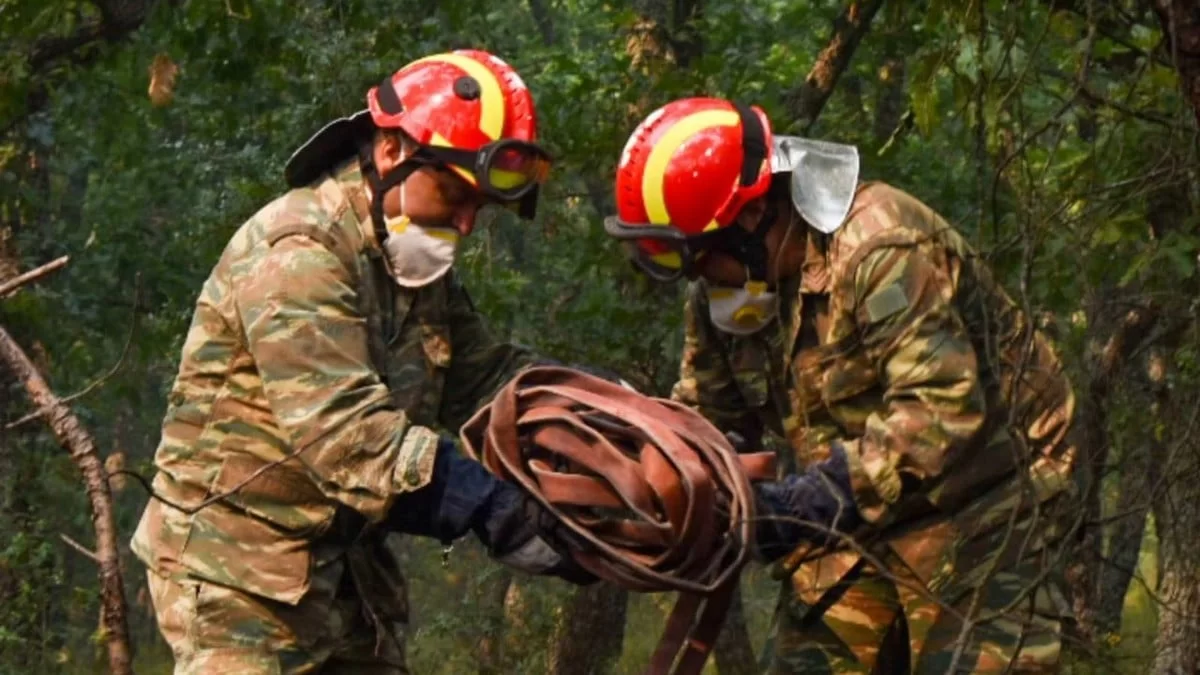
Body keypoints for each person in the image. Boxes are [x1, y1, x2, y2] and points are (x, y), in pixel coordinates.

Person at [130, 49, 593, 674]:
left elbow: (486, 380)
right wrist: (490, 507)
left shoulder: (412, 262)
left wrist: (601, 418)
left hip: (345, 572)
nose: (464, 224)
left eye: (479, 207)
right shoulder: (298, 252)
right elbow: (347, 434)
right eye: (454, 194)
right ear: (393, 150)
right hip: (233, 574)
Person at [603, 97, 1080, 673]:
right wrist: (635, 470)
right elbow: (709, 421)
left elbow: (939, 412)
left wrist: (794, 507)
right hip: (853, 518)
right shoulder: (718, 295)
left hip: (988, 498)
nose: (698, 277)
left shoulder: (882, 246)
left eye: (697, 257)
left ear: (751, 219)